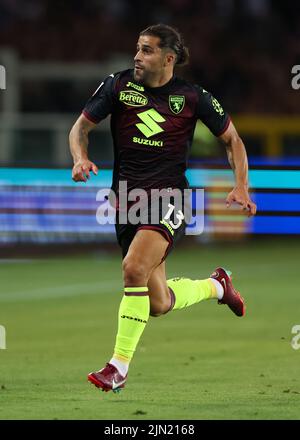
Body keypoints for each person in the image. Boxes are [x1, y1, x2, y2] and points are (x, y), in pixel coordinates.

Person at [69, 24, 257, 393]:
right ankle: (217, 287)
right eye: (137, 49)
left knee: (133, 268)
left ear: (169, 59)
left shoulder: (193, 97)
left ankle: (117, 368)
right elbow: (80, 129)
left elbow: (232, 140)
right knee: (157, 302)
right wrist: (80, 158)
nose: (137, 56)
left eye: (147, 50)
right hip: (127, 203)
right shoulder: (118, 86)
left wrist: (241, 186)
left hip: (171, 199)